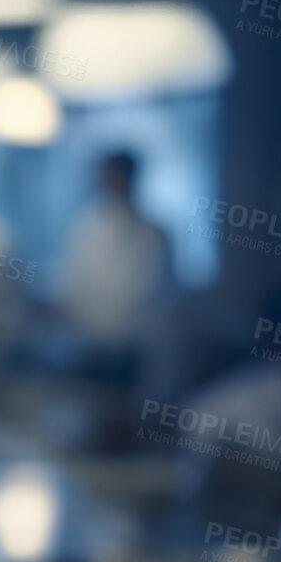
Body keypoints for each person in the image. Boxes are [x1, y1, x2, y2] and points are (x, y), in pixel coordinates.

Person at [54, 150, 175, 387]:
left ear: (133, 177)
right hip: (86, 349)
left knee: (123, 415)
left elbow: (157, 299)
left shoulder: (154, 236)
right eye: (109, 176)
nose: (113, 182)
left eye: (119, 176)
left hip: (134, 353)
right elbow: (70, 286)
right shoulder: (85, 228)